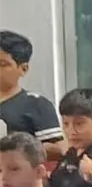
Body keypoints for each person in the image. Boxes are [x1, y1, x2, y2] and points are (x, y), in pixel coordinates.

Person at [0, 31, 65, 162]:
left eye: (2, 64)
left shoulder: (35, 104)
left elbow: (59, 150)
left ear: (23, 69)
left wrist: (16, 148)